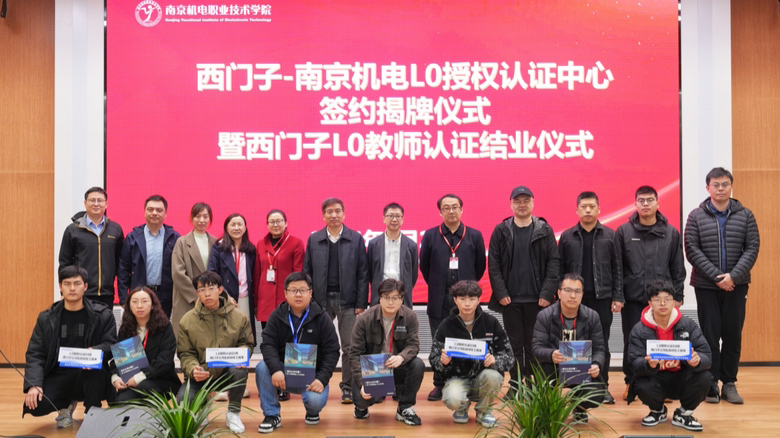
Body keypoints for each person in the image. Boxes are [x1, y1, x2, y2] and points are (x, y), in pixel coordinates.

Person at [684, 167, 760, 404]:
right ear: (708, 188)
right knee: (709, 335)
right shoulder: (696, 216)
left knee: (732, 334)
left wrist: (734, 277)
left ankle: (729, 383)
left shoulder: (745, 215)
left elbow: (752, 248)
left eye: (725, 184)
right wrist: (718, 277)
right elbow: (692, 250)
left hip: (737, 285)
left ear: (731, 186)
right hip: (706, 286)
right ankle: (711, 383)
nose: (720, 188)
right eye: (715, 185)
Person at [23, 266, 117, 427]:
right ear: (60, 287)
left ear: (85, 286)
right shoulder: (47, 318)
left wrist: (94, 352)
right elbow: (36, 353)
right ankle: (66, 404)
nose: (72, 288)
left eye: (77, 283)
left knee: (95, 369)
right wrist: (34, 384)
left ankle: (92, 413)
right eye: (67, 284)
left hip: (88, 374)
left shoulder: (102, 315)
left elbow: (111, 343)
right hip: (58, 373)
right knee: (36, 405)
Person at [616, 186, 686, 398]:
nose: (645, 204)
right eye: (641, 200)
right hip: (633, 297)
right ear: (635, 204)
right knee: (632, 341)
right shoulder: (623, 232)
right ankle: (632, 382)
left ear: (658, 203)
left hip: (662, 300)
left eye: (649, 200)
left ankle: (664, 385)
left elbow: (677, 267)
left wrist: (678, 296)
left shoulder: (671, 232)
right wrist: (618, 295)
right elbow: (618, 268)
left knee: (663, 340)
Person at [487, 186, 559, 387]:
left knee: (536, 344)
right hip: (510, 301)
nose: (522, 205)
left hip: (539, 301)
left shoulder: (545, 229)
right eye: (517, 201)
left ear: (533, 203)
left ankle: (535, 384)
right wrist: (501, 292)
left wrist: (547, 293)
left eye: (526, 200)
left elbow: (554, 263)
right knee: (514, 344)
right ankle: (516, 383)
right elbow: (494, 264)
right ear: (511, 204)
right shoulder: (501, 230)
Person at [556, 191, 622, 404]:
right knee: (574, 343)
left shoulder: (611, 235)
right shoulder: (567, 236)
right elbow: (560, 269)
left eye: (592, 206)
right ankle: (577, 387)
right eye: (583, 206)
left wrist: (618, 296)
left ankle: (602, 387)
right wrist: (560, 295)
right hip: (574, 300)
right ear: (577, 210)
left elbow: (617, 268)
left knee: (602, 344)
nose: (587, 210)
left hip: (602, 298)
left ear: (599, 209)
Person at [255, 272, 340, 434]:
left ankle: (312, 412)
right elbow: (267, 345)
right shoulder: (277, 316)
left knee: (315, 401)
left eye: (303, 290)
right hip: (284, 373)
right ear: (285, 293)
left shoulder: (322, 317)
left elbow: (332, 351)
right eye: (293, 290)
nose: (298, 294)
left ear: (310, 293)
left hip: (313, 376)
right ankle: (272, 415)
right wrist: (276, 369)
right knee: (262, 367)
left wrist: (322, 379)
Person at [421, 194, 486, 401]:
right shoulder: (431, 235)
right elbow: (424, 266)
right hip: (439, 297)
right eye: (446, 208)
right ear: (440, 211)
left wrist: (468, 290)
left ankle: (470, 383)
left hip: (466, 300)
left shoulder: (474, 235)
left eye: (455, 207)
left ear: (462, 209)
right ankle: (440, 384)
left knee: (468, 340)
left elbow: (480, 266)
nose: (451, 211)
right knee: (439, 342)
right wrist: (438, 284)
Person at [304, 197, 369, 404]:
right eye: (329, 211)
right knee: (315, 344)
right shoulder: (314, 239)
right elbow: (307, 272)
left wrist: (361, 303)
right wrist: (309, 300)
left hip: (348, 301)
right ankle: (312, 383)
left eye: (338, 211)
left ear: (344, 214)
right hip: (319, 301)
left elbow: (363, 273)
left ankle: (347, 388)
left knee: (350, 347)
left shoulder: (356, 238)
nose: (334, 215)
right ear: (323, 215)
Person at [627, 280, 712, 432]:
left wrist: (698, 361)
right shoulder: (639, 329)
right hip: (656, 378)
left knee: (705, 377)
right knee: (641, 383)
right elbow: (633, 362)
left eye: (667, 299)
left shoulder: (688, 324)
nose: (662, 303)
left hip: (682, 377)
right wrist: (648, 365)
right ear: (650, 303)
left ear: (674, 302)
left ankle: (684, 414)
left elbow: (706, 355)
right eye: (657, 300)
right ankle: (658, 411)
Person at [177, 271, 255, 434]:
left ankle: (233, 412)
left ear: (220, 290)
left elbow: (247, 343)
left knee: (239, 372)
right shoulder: (187, 320)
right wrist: (193, 369)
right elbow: (185, 353)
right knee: (183, 400)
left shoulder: (239, 317)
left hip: (227, 373)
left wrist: (244, 352)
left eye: (211, 288)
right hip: (202, 375)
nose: (207, 294)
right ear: (197, 293)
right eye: (202, 290)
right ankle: (203, 406)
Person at [429, 280, 513, 428]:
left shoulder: (491, 323)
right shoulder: (446, 325)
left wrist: (495, 360)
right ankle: (461, 408)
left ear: (479, 300)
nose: (467, 304)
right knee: (452, 398)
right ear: (455, 300)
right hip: (457, 378)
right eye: (462, 299)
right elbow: (433, 358)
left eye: (472, 299)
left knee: (493, 376)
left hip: (484, 377)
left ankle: (484, 411)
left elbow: (509, 356)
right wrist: (443, 362)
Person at [531, 274, 607, 423]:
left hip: (582, 368)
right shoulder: (544, 316)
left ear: (582, 295)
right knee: (542, 380)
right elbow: (536, 348)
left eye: (577, 291)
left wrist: (596, 364)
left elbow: (599, 349)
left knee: (597, 393)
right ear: (559, 293)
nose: (573, 296)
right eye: (568, 290)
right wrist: (551, 354)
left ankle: (578, 407)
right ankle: (549, 408)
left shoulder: (593, 317)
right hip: (553, 367)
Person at [350, 279, 424, 426]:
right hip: (372, 371)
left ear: (402, 299)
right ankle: (361, 407)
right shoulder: (364, 319)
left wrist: (401, 357)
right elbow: (354, 354)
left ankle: (404, 407)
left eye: (395, 298)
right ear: (380, 298)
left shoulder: (410, 317)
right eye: (386, 297)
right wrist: (362, 382)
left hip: (397, 367)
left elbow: (413, 345)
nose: (390, 302)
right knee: (361, 400)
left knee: (418, 364)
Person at [255, 209, 305, 402]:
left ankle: (287, 385)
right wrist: (256, 303)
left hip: (287, 302)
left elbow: (298, 274)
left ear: (286, 223)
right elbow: (258, 274)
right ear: (267, 224)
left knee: (288, 345)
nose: (275, 224)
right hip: (266, 302)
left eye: (279, 221)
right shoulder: (261, 244)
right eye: (271, 221)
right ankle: (271, 383)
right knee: (270, 343)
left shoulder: (296, 243)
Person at [59, 186, 124, 308]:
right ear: (85, 203)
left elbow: (120, 263)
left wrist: (122, 294)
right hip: (80, 292)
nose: (96, 204)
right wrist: (64, 291)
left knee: (105, 321)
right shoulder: (73, 230)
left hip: (107, 293)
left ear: (106, 204)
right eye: (92, 200)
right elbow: (64, 263)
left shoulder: (115, 229)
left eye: (100, 200)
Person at [111, 286, 181, 401]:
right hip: (131, 381)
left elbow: (165, 360)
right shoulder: (126, 329)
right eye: (134, 302)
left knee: (145, 386)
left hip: (161, 379)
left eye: (144, 301)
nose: (139, 306)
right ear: (129, 306)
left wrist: (140, 377)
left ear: (153, 305)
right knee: (122, 400)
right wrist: (115, 378)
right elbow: (119, 359)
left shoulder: (164, 327)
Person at [118, 195, 181, 316]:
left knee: (161, 326)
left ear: (166, 214)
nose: (154, 213)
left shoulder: (174, 238)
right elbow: (123, 270)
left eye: (159, 210)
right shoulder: (133, 237)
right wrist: (123, 298)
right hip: (139, 295)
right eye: (150, 209)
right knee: (138, 327)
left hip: (165, 297)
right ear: (144, 212)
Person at [208, 213, 257, 343]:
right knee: (226, 334)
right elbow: (212, 273)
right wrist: (224, 295)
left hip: (245, 298)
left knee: (244, 333)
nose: (236, 228)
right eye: (233, 224)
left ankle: (245, 355)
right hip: (226, 298)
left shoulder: (251, 249)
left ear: (245, 228)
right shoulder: (218, 248)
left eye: (240, 224)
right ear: (226, 228)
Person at [171, 202, 218, 338]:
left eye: (205, 216)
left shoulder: (216, 242)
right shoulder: (182, 242)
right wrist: (196, 296)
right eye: (198, 216)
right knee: (186, 338)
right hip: (187, 299)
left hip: (211, 299)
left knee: (209, 338)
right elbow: (178, 273)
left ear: (210, 219)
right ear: (191, 218)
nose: (202, 220)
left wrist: (209, 294)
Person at [367, 203, 419, 308]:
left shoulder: (411, 245)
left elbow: (413, 275)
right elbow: (370, 272)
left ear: (402, 219)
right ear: (384, 219)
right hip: (380, 295)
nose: (394, 219)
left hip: (402, 296)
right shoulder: (374, 244)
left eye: (398, 216)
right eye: (390, 216)